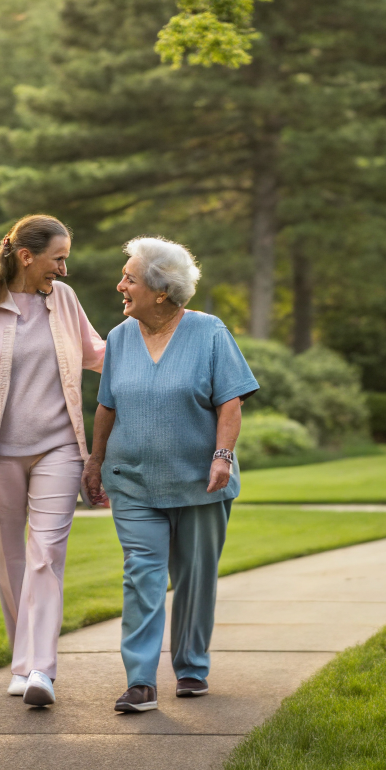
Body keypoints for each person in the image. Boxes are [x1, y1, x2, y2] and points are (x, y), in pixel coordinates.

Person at [82, 236, 259, 713]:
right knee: (141, 575)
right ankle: (140, 680)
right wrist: (95, 461)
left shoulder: (209, 332)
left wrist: (222, 455)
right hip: (134, 481)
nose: (121, 284)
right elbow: (107, 405)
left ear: (161, 291)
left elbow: (231, 401)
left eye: (130, 278)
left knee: (195, 578)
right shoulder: (119, 338)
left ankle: (191, 667)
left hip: (200, 482)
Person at [0, 214, 105, 708]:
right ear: (26, 256)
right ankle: (22, 660)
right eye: (58, 259)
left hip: (59, 445)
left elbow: (96, 353)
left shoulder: (64, 302)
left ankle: (40, 670)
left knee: (45, 555)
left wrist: (157, 339)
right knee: (10, 558)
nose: (64, 269)